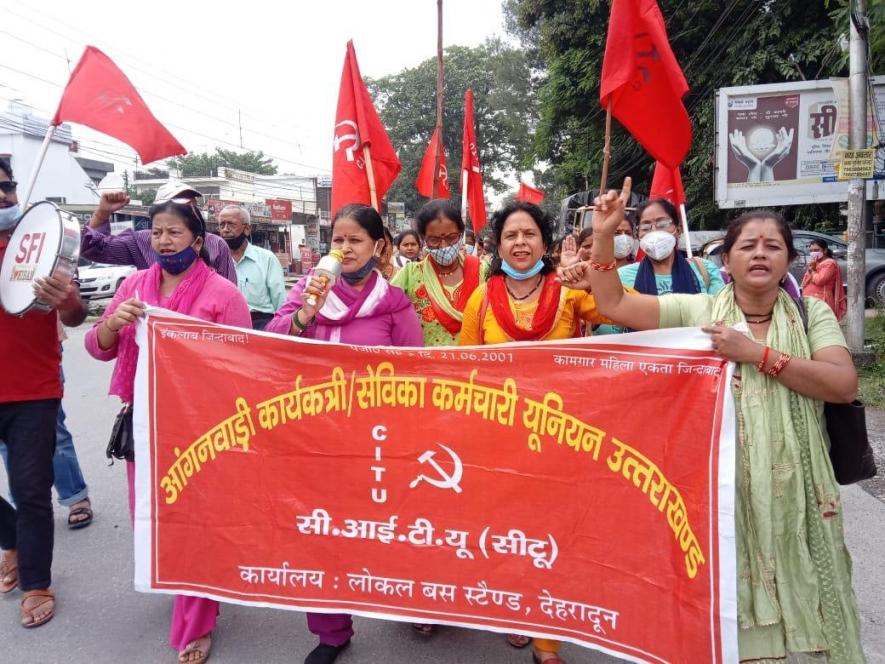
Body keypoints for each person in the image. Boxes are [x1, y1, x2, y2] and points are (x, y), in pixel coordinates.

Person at [560, 178, 866, 664]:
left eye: (773, 246)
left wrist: (755, 354)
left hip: (801, 496)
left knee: (814, 603)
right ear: (727, 261)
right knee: (730, 612)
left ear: (790, 260)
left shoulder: (813, 316)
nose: (760, 253)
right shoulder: (701, 312)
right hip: (723, 494)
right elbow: (615, 305)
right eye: (748, 245)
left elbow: (842, 384)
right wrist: (602, 237)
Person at [85, 198, 251, 664]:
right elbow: (96, 347)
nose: (163, 241)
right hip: (144, 421)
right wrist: (113, 326)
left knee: (190, 525)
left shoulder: (222, 294)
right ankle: (191, 583)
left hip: (199, 426)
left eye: (174, 233)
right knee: (152, 520)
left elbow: (238, 366)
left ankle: (196, 623)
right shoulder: (135, 286)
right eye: (156, 232)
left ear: (198, 241)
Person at [266, 204, 422, 664]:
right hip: (315, 439)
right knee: (322, 534)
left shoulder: (394, 303)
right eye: (338, 240)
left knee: (390, 528)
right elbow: (271, 345)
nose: (345, 248)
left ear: (378, 248)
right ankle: (331, 632)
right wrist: (304, 314)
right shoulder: (307, 292)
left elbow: (415, 373)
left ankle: (415, 600)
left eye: (355, 240)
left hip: (376, 441)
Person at [459, 201, 612, 664]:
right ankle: (515, 610)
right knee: (507, 534)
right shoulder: (481, 299)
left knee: (556, 536)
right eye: (511, 235)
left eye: (529, 234)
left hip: (560, 440)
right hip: (499, 442)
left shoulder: (569, 294)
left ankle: (547, 642)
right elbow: (464, 372)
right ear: (497, 245)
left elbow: (615, 309)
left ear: (545, 243)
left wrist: (595, 272)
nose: (520, 243)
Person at [0, 156, 87, 628]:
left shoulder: (38, 243)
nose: (1, 195)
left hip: (32, 391)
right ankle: (10, 537)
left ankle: (36, 582)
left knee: (30, 490)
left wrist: (67, 299)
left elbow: (74, 317)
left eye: (7, 186)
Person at [81, 182, 237, 283]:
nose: (164, 241)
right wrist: (103, 212)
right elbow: (91, 248)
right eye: (177, 205)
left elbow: (229, 294)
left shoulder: (216, 244)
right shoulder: (140, 241)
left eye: (191, 205)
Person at [392, 199, 484, 347]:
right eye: (434, 240)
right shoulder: (410, 274)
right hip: (427, 367)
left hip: (474, 367)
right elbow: (383, 310)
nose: (444, 246)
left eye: (451, 238)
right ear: (423, 239)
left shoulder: (482, 271)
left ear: (460, 234)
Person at [216, 205, 286, 330]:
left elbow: (281, 303)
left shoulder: (267, 259)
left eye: (231, 224)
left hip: (261, 325)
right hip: (225, 324)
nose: (225, 230)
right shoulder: (213, 261)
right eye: (222, 225)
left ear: (247, 229)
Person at [801, 238, 846, 321]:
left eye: (816, 250)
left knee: (821, 324)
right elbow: (806, 281)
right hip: (810, 299)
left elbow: (820, 280)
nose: (813, 252)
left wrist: (812, 270)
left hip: (822, 299)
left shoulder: (830, 263)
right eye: (811, 250)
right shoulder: (815, 262)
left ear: (824, 250)